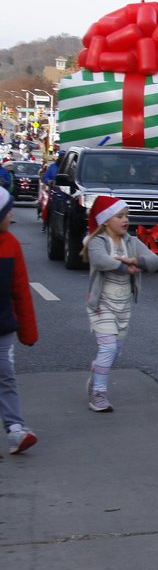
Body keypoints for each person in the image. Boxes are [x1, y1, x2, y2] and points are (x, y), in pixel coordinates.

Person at [83, 195, 158, 412]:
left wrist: (137, 261)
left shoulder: (131, 242)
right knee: (107, 348)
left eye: (126, 215)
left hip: (124, 305)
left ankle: (97, 372)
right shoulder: (97, 241)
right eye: (119, 216)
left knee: (114, 352)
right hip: (101, 304)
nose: (125, 220)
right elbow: (99, 260)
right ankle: (98, 393)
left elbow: (156, 261)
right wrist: (123, 267)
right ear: (106, 220)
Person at [0, 188, 39, 453]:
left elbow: (20, 289)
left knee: (5, 376)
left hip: (2, 324)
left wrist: (28, 330)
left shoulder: (11, 243)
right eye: (7, 210)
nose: (11, 213)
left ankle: (15, 429)